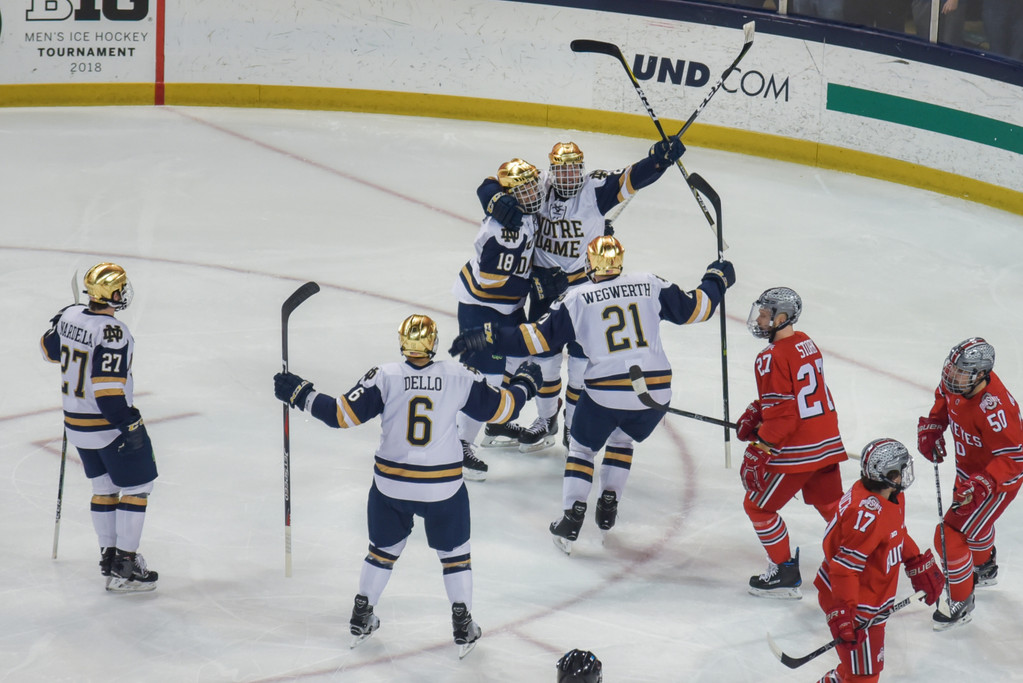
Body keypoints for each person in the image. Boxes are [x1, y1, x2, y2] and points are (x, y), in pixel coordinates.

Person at [272, 314, 541, 656]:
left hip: (391, 487)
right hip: (441, 488)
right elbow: (503, 410)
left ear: (403, 343)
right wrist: (524, 384)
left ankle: (362, 611)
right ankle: (462, 620)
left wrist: (300, 393)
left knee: (381, 552)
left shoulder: (384, 377)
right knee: (455, 556)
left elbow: (340, 414)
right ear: (433, 343)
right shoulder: (459, 376)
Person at [449, 235, 734, 553]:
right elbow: (698, 308)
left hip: (606, 392)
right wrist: (717, 278)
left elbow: (537, 340)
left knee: (582, 450)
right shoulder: (650, 284)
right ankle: (609, 501)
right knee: (622, 440)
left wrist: (491, 337)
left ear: (590, 264)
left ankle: (572, 518)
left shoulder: (578, 298)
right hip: (655, 392)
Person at [476, 137, 687, 452]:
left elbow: (634, 176)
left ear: (583, 170)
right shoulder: (538, 184)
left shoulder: (596, 189)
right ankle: (547, 420)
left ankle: (573, 427)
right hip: (543, 289)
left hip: (584, 291)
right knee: (543, 364)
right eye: (563, 171)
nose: (569, 177)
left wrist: (658, 159)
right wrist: (495, 199)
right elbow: (490, 183)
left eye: (575, 170)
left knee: (580, 366)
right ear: (551, 171)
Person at [39, 262, 159, 592]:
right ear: (114, 293)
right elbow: (107, 390)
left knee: (104, 488)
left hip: (76, 425)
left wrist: (60, 323)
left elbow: (48, 350)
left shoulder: (70, 315)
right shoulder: (113, 332)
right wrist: (129, 424)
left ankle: (109, 558)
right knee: (138, 488)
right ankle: (126, 563)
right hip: (106, 425)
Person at [735, 287, 847, 598]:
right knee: (831, 507)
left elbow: (785, 416)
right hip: (826, 440)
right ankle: (858, 563)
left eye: (764, 314)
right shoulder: (806, 343)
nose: (758, 318)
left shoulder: (768, 357)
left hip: (799, 448)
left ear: (781, 318)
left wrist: (761, 447)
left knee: (757, 507)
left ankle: (784, 572)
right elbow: (797, 396)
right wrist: (759, 410)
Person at [813, 438, 946, 683]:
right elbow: (844, 568)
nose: (905, 474)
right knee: (865, 675)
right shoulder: (866, 514)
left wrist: (916, 563)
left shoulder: (889, 496)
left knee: (857, 669)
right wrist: (845, 613)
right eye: (901, 470)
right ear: (889, 475)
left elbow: (896, 531)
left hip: (867, 597)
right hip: (854, 604)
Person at [916, 337, 1023, 630]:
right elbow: (944, 398)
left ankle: (960, 602)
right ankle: (984, 567)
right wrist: (934, 425)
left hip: (995, 481)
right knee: (975, 528)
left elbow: (1014, 458)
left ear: (981, 375)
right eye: (952, 369)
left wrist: (983, 484)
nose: (952, 377)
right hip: (968, 473)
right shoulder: (959, 386)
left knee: (948, 537)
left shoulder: (995, 408)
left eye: (961, 373)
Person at [452, 158, 543, 476]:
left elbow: (487, 183)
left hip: (509, 307)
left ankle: (496, 424)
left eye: (534, 185)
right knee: (487, 380)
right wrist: (533, 281)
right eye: (526, 189)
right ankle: (460, 444)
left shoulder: (523, 210)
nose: (534, 192)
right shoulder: (501, 233)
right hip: (482, 308)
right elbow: (491, 283)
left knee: (517, 363)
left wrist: (491, 193)